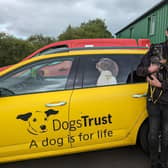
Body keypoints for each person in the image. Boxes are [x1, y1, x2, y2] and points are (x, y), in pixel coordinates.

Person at [136, 27, 168, 168]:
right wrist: (149, 70)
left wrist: (161, 84)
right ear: (167, 33)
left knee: (167, 136)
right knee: (153, 134)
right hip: (153, 101)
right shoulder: (155, 49)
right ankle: (155, 163)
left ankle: (165, 162)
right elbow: (139, 70)